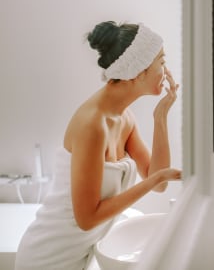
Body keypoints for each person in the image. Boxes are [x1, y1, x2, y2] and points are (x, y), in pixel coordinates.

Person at [15, 21, 182, 270]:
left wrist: (160, 119)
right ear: (139, 70)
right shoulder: (92, 125)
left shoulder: (124, 117)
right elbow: (87, 218)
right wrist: (154, 181)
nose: (165, 70)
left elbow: (159, 181)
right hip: (47, 257)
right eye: (161, 61)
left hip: (79, 255)